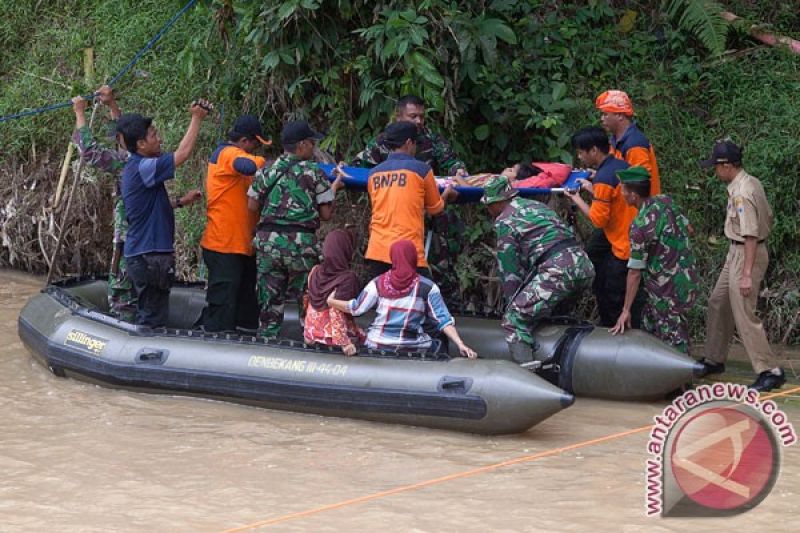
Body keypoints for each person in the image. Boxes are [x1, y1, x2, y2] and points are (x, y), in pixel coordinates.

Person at [351, 95, 467, 302]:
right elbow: (358, 167)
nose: (419, 121)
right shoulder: (384, 141)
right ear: (398, 116)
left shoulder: (430, 138)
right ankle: (419, 314)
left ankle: (443, 300)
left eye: (422, 117)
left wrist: (460, 174)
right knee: (398, 267)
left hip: (426, 210)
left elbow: (452, 162)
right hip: (396, 212)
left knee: (437, 259)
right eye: (413, 116)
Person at [696, 140, 785, 392]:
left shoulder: (742, 192)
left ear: (726, 166)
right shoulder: (748, 181)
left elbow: (751, 236)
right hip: (735, 252)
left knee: (744, 313)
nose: (714, 171)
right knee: (718, 301)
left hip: (747, 253)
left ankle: (770, 370)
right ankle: (714, 358)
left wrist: (746, 274)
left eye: (716, 166)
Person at [482, 175, 594, 365]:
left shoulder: (505, 221)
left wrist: (513, 304)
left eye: (488, 205)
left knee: (513, 320)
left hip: (558, 272)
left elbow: (509, 272)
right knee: (549, 313)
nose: (487, 210)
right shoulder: (537, 206)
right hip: (584, 267)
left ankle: (526, 374)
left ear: (497, 202)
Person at [247, 120, 344, 338]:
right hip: (301, 246)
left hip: (268, 244)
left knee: (269, 299)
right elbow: (326, 215)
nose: (314, 147)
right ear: (301, 145)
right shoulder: (313, 172)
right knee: (306, 296)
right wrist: (334, 187)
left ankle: (266, 340)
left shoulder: (266, 169)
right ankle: (309, 340)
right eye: (311, 143)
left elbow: (252, 205)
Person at [116, 100, 209, 327]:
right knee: (152, 317)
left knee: (151, 311)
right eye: (153, 135)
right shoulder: (143, 166)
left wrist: (179, 202)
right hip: (150, 255)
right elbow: (183, 154)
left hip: (143, 254)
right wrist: (197, 118)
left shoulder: (137, 167)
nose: (159, 139)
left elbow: (146, 207)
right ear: (140, 144)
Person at [327, 240, 476, 358]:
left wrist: (331, 301)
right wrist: (460, 344)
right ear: (413, 258)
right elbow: (443, 320)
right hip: (412, 346)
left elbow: (355, 308)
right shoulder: (427, 287)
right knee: (438, 341)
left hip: (377, 343)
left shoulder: (377, 283)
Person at [609, 167, 699, 353]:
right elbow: (689, 228)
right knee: (651, 324)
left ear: (633, 195)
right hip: (687, 278)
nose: (622, 193)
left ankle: (682, 379)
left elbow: (634, 272)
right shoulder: (666, 201)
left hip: (666, 290)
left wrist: (626, 310)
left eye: (624, 190)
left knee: (674, 338)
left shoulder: (639, 226)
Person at [566, 126, 644, 327]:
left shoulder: (603, 178)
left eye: (581, 152)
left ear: (593, 151)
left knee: (613, 295)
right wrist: (593, 189)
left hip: (623, 244)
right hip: (633, 232)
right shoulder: (620, 165)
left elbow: (598, 220)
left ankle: (616, 331)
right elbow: (615, 200)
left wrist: (576, 198)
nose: (580, 156)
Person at [198, 115, 269, 333]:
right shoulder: (227, 154)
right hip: (223, 245)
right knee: (223, 303)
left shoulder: (237, 161)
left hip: (242, 246)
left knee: (245, 304)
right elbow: (246, 165)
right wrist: (272, 163)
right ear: (245, 140)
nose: (256, 150)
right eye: (255, 145)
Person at [362, 121, 458, 279]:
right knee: (418, 299)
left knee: (381, 301)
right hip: (408, 251)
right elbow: (435, 209)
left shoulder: (374, 174)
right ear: (408, 143)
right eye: (415, 144)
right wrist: (446, 195)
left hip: (377, 250)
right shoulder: (422, 170)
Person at [71, 86, 135, 321]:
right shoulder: (142, 157)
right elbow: (125, 138)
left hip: (131, 234)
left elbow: (90, 152)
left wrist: (80, 114)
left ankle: (124, 324)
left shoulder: (127, 163)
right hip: (145, 236)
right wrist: (112, 105)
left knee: (122, 284)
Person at [304, 229, 365, 356]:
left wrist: (308, 333)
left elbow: (309, 303)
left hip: (312, 334)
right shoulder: (347, 278)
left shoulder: (315, 271)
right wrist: (344, 343)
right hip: (332, 337)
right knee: (364, 337)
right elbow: (336, 310)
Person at [595, 90, 661, 195]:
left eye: (605, 114)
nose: (602, 119)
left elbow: (641, 183)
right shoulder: (615, 140)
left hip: (640, 209)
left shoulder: (634, 145)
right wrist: (600, 176)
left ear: (620, 115)